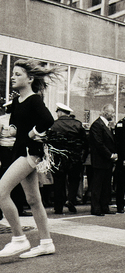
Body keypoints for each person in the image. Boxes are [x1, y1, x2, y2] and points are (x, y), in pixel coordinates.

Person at [0, 59, 62, 258]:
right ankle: (46, 243)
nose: (13, 77)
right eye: (13, 74)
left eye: (18, 74)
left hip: (30, 153)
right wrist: (9, 131)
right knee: (34, 199)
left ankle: (19, 238)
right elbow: (16, 129)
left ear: (30, 78)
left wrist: (33, 133)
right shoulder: (17, 102)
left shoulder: (35, 99)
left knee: (0, 191)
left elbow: (48, 120)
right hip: (19, 151)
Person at [49, 103, 89, 214]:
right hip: (75, 159)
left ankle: (58, 207)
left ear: (60, 112)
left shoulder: (53, 124)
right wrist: (82, 157)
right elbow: (85, 143)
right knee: (74, 181)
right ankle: (71, 200)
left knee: (59, 182)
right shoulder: (77, 124)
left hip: (58, 158)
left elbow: (49, 142)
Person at [0, 99, 30, 220]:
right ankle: (18, 207)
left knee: (4, 179)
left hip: (5, 151)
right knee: (18, 180)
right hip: (14, 151)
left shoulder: (2, 119)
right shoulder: (19, 119)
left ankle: (5, 208)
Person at [88, 104, 118, 216]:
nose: (113, 114)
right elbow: (98, 144)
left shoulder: (106, 126)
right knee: (98, 185)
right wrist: (110, 155)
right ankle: (96, 208)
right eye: (112, 112)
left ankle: (104, 206)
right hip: (100, 160)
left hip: (106, 161)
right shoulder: (97, 125)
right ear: (105, 112)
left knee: (106, 185)